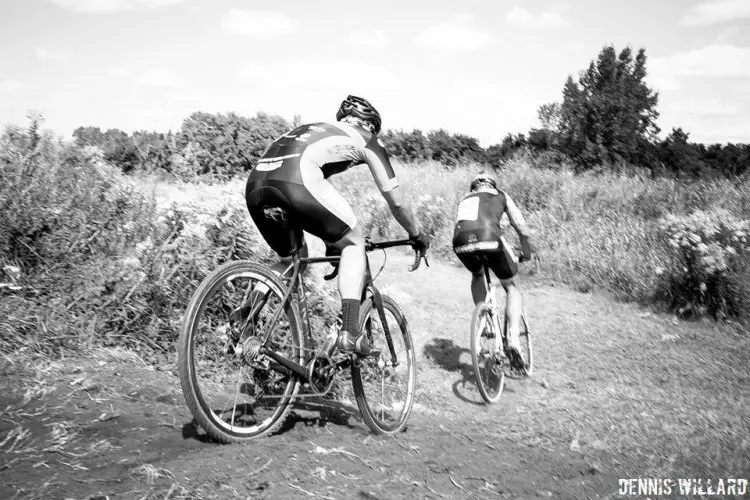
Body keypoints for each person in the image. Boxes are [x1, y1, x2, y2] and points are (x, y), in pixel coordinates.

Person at [242, 95, 430, 356]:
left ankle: (245, 315)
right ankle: (351, 333)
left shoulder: (314, 129)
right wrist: (416, 234)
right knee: (355, 242)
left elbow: (322, 208)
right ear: (371, 126)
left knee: (293, 260)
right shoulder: (367, 139)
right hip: (297, 179)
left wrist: (333, 242)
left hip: (256, 185)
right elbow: (397, 201)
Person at [452, 171, 537, 368]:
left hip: (461, 242)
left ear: (473, 187)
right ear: (493, 185)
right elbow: (522, 230)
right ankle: (513, 339)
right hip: (490, 237)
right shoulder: (501, 195)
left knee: (477, 273)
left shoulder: (465, 200)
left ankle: (484, 319)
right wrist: (527, 252)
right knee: (512, 286)